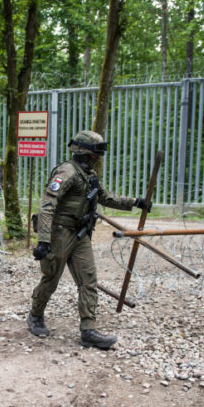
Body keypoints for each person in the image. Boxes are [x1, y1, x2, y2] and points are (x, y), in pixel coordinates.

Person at [28, 130, 152, 350]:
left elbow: (104, 197)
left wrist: (136, 202)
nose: (98, 159)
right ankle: (35, 315)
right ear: (85, 152)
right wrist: (44, 241)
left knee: (88, 280)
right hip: (59, 234)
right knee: (51, 279)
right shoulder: (67, 172)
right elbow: (47, 205)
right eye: (96, 154)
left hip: (80, 234)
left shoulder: (89, 175)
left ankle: (88, 330)